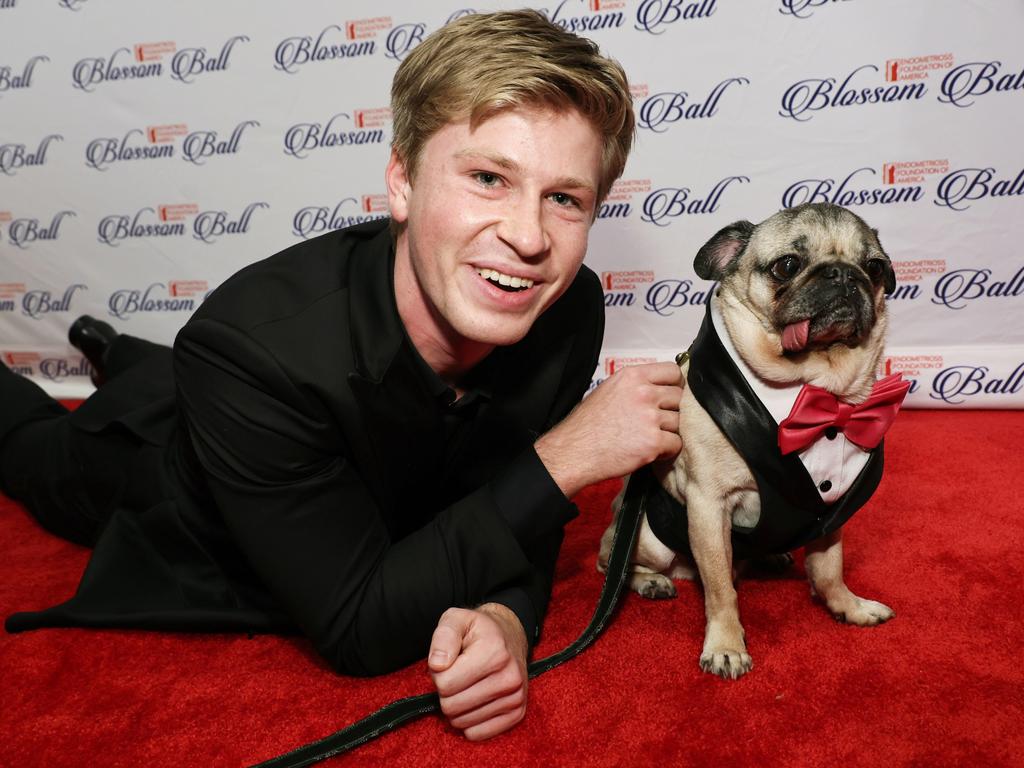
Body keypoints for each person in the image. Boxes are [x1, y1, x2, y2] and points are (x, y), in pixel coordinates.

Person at [0, 11, 683, 741]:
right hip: (172, 476)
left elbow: (514, 503)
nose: (527, 236)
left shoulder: (565, 307)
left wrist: (508, 614)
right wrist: (572, 454)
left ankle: (110, 345)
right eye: (488, 177)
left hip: (263, 407)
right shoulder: (249, 354)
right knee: (33, 441)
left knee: (167, 366)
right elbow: (359, 624)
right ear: (402, 182)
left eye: (564, 199)